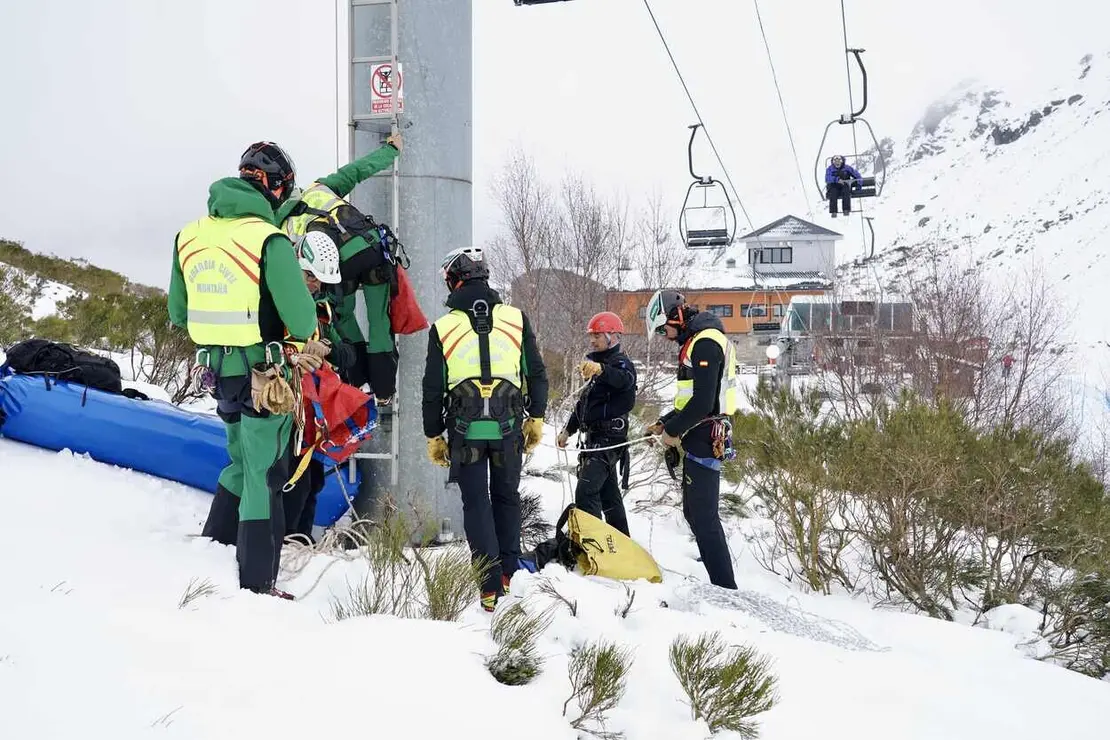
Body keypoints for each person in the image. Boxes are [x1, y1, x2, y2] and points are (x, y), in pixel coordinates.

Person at [169, 141, 321, 598]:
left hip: (219, 373)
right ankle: (257, 583)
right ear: (276, 188)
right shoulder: (267, 240)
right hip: (265, 377)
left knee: (239, 460)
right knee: (265, 473)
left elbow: (179, 312)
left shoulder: (189, 235)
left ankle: (215, 547)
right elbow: (304, 321)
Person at [421, 246, 549, 612]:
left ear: (453, 279)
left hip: (465, 430)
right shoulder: (516, 318)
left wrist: (434, 435)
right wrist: (536, 416)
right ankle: (510, 573)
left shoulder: (443, 327)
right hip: (509, 427)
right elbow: (535, 372)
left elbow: (432, 388)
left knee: (476, 502)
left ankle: (488, 586)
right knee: (508, 497)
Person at [275, 134, 404, 401]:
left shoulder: (280, 226)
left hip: (333, 268)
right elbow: (357, 171)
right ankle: (384, 390)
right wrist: (391, 150)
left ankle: (359, 383)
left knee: (342, 318)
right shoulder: (320, 189)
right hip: (371, 251)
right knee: (379, 321)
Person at [644, 289, 738, 590]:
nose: (665, 335)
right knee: (695, 513)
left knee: (703, 516)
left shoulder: (706, 342)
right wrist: (665, 423)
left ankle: (725, 588)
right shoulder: (696, 341)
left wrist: (673, 433)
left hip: (706, 434)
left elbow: (703, 402)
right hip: (699, 431)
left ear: (677, 316)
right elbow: (691, 401)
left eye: (664, 328)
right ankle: (720, 583)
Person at [281, 231, 360, 541]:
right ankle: (284, 539)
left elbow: (350, 353)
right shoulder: (275, 305)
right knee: (290, 479)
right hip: (283, 405)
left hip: (313, 413)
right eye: (311, 276)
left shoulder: (322, 313)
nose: (315, 284)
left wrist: (327, 346)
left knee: (312, 479)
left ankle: (299, 539)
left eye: (319, 280)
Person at [556, 312, 636, 536]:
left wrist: (602, 370)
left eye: (598, 335)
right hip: (594, 440)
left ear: (613, 336)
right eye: (591, 336)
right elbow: (585, 402)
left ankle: (595, 545)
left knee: (586, 491)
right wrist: (568, 430)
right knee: (608, 497)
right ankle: (622, 543)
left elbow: (624, 380)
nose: (593, 340)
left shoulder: (622, 364)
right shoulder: (595, 365)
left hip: (610, 440)